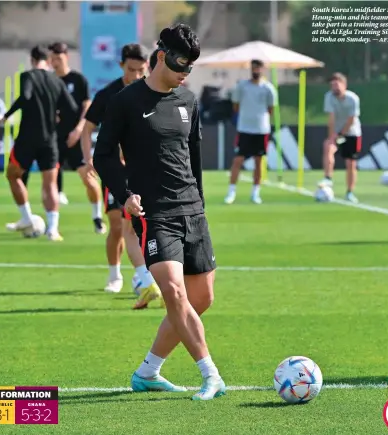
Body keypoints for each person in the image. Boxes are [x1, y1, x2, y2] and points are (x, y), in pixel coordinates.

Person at [94, 24, 225, 401]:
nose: (187, 72)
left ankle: (148, 371)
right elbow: (103, 156)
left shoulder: (189, 101)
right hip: (154, 213)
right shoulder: (124, 102)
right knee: (173, 292)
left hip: (192, 212)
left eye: (192, 67)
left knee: (200, 300)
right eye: (182, 63)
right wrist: (124, 194)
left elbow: (193, 159)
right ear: (163, 56)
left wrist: (199, 203)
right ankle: (210, 374)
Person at [82, 44, 162, 308]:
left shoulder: (151, 91)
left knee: (139, 225)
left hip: (142, 169)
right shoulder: (108, 95)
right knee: (118, 226)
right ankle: (116, 274)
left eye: (142, 70)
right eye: (131, 70)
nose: (137, 75)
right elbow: (88, 127)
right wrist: (88, 159)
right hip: (115, 171)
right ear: (120, 66)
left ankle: (147, 278)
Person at [21, 42, 106, 232]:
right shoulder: (49, 80)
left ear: (66, 57)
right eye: (52, 59)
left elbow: (87, 107)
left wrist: (78, 129)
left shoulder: (78, 80)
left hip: (76, 137)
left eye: (58, 58)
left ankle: (97, 216)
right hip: (52, 139)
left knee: (89, 179)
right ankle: (51, 225)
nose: (55, 63)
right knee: (47, 183)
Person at [0, 45, 78, 241]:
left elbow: (25, 97)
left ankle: (26, 217)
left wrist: (5, 116)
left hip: (27, 137)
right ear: (48, 60)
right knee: (50, 184)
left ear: (32, 59)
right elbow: (72, 108)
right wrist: (59, 122)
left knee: (12, 174)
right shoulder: (56, 81)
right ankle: (53, 229)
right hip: (49, 139)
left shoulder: (28, 76)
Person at [224, 60, 277, 205]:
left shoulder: (268, 88)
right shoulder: (242, 86)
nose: (256, 71)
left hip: (261, 130)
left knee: (258, 161)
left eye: (258, 68)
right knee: (238, 159)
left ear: (263, 70)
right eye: (254, 68)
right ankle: (231, 192)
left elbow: (270, 109)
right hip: (245, 128)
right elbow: (236, 106)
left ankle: (255, 193)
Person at [319, 72, 361, 203]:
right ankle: (328, 177)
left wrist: (341, 134)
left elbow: (351, 119)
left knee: (350, 163)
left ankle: (350, 192)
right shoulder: (329, 97)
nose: (334, 87)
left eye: (337, 84)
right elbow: (331, 118)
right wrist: (333, 136)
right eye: (332, 85)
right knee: (328, 147)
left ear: (344, 85)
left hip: (352, 132)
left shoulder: (352, 98)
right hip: (337, 132)